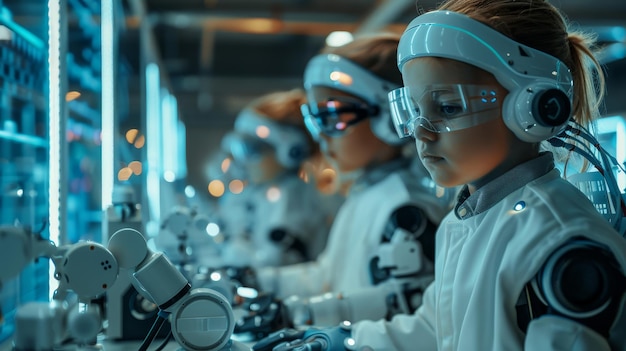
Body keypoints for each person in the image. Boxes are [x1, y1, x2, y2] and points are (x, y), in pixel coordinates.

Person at [251, 1, 626, 350]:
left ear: (534, 105)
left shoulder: (560, 240)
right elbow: (434, 329)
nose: (421, 131)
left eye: (446, 106)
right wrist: (338, 340)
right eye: (414, 109)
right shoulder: (465, 220)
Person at [235, 33, 454, 339]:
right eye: (316, 120)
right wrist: (257, 281)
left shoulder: (405, 208)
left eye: (334, 117)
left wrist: (307, 316)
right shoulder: (367, 195)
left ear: (389, 117)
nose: (321, 137)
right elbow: (327, 276)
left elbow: (407, 311)